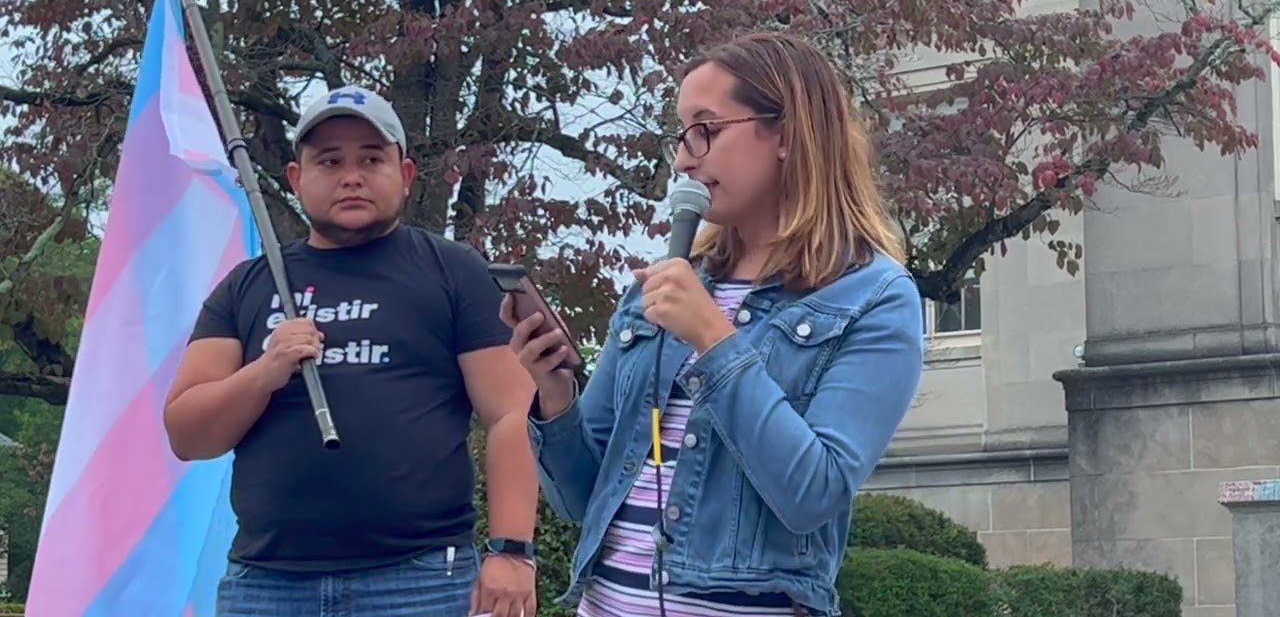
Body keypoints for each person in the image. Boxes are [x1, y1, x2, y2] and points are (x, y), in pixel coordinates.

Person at [503, 33, 925, 617]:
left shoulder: (874, 296)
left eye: (705, 127)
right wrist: (552, 397)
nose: (683, 158)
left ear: (786, 131)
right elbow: (582, 499)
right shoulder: (664, 288)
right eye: (679, 135)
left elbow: (814, 493)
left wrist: (715, 341)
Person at [164, 85, 539, 617]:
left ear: (405, 175)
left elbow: (511, 415)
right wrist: (265, 371)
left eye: (371, 158)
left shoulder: (456, 271)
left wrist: (512, 550)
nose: (352, 176)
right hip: (267, 584)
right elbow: (187, 434)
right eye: (330, 161)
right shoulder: (248, 285)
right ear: (296, 179)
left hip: (423, 580)